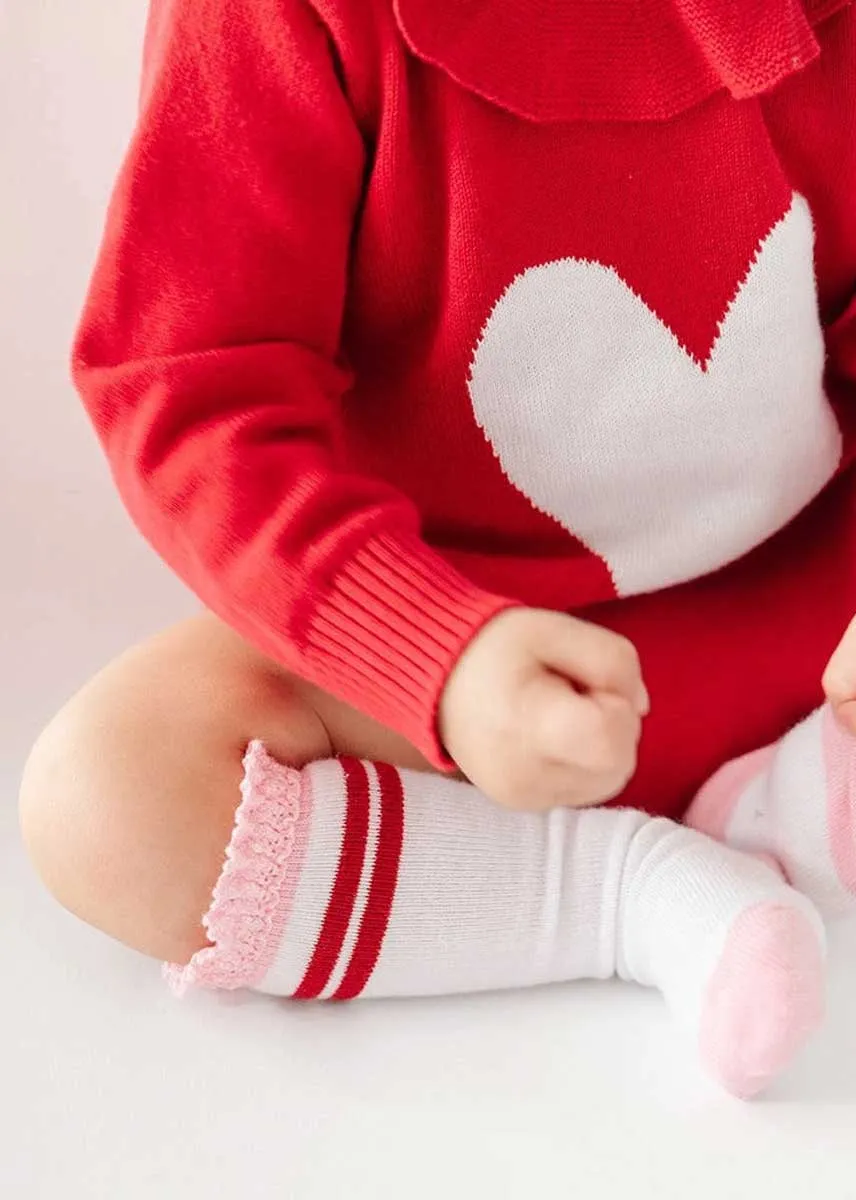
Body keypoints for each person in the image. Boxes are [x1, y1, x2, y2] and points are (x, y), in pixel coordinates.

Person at [18, 0, 856, 1099]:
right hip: (447, 669)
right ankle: (617, 892)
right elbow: (193, 391)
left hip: (799, 620)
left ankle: (795, 799)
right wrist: (436, 656)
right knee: (107, 797)